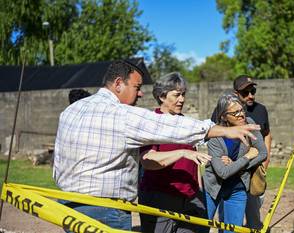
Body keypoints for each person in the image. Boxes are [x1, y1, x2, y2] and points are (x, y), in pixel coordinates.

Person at [53, 59, 260, 231]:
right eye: (137, 87)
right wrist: (223, 130)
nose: (140, 93)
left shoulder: (71, 111)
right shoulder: (124, 115)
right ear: (118, 83)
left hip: (68, 205)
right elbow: (168, 131)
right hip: (112, 208)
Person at [138, 72, 210, 233]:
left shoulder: (186, 122)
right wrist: (182, 152)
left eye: (183, 94)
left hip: (191, 198)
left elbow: (195, 160)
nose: (182, 99)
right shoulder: (150, 122)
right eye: (177, 95)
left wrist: (199, 189)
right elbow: (148, 161)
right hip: (159, 197)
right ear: (162, 96)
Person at [204, 94, 267, 233]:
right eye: (235, 112)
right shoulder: (215, 135)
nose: (241, 115)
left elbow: (263, 153)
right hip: (214, 187)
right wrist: (247, 157)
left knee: (232, 231)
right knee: (201, 227)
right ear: (223, 116)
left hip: (238, 188)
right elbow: (223, 172)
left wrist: (236, 165)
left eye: (242, 110)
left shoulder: (249, 124)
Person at [233, 75, 272, 229]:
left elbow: (267, 133)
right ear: (236, 93)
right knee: (230, 220)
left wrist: (266, 159)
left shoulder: (261, 109)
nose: (251, 96)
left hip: (255, 169)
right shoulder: (225, 110)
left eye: (253, 91)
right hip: (233, 171)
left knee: (254, 215)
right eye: (245, 93)